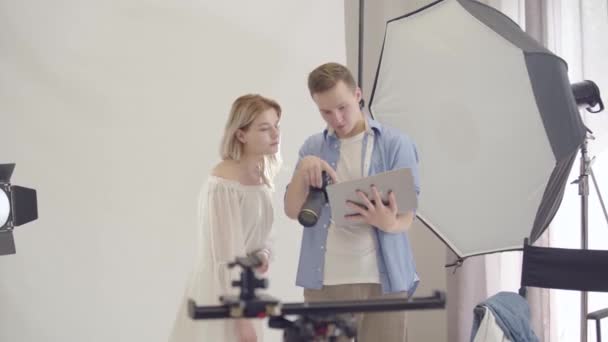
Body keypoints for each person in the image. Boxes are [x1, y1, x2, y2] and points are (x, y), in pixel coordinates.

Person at [284, 62, 420, 341]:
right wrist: (303, 169)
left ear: (358, 94)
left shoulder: (395, 143)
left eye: (342, 107)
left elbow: (408, 213)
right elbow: (292, 210)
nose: (336, 118)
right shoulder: (313, 147)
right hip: (326, 281)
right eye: (325, 112)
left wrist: (388, 222)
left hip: (383, 281)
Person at [169, 94, 281, 342]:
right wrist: (240, 319)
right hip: (224, 293)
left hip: (248, 288)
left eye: (276, 126)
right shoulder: (223, 183)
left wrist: (263, 254)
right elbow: (226, 257)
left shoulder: (263, 173)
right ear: (241, 135)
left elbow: (265, 232)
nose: (275, 134)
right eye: (264, 128)